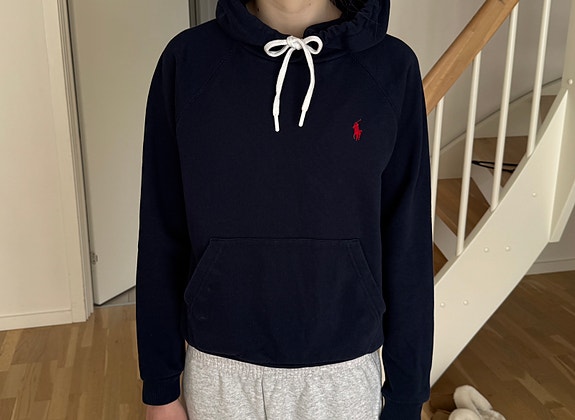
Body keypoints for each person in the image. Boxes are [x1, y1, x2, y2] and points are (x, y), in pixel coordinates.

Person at [135, 0, 434, 418]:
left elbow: (409, 241)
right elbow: (161, 229)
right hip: (219, 368)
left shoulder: (391, 66)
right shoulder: (188, 61)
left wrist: (407, 395)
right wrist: (161, 385)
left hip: (343, 373)